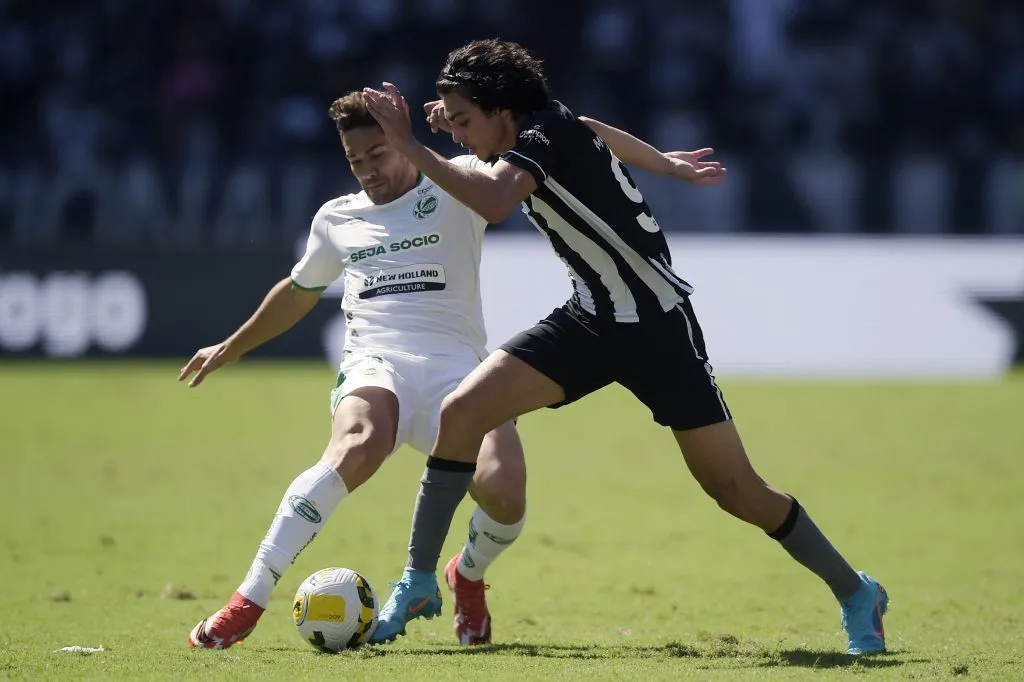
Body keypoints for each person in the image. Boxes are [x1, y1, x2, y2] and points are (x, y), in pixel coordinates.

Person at [361, 39, 890, 656]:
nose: (454, 134)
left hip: (660, 329)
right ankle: (420, 580)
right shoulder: (546, 127)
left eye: (462, 121)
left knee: (736, 490)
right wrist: (664, 163)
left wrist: (410, 146)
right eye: (448, 123)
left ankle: (857, 591)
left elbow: (496, 201)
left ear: (503, 108)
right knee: (461, 412)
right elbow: (593, 130)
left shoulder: (537, 140)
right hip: (590, 321)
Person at [179, 89, 717, 649]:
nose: (367, 171)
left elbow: (575, 132)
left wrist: (665, 163)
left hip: (459, 371)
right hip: (375, 363)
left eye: (377, 155)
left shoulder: (458, 182)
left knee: (506, 494)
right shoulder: (336, 219)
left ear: (401, 144)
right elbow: (298, 291)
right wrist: (233, 346)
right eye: (355, 161)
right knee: (357, 444)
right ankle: (248, 600)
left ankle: (467, 574)